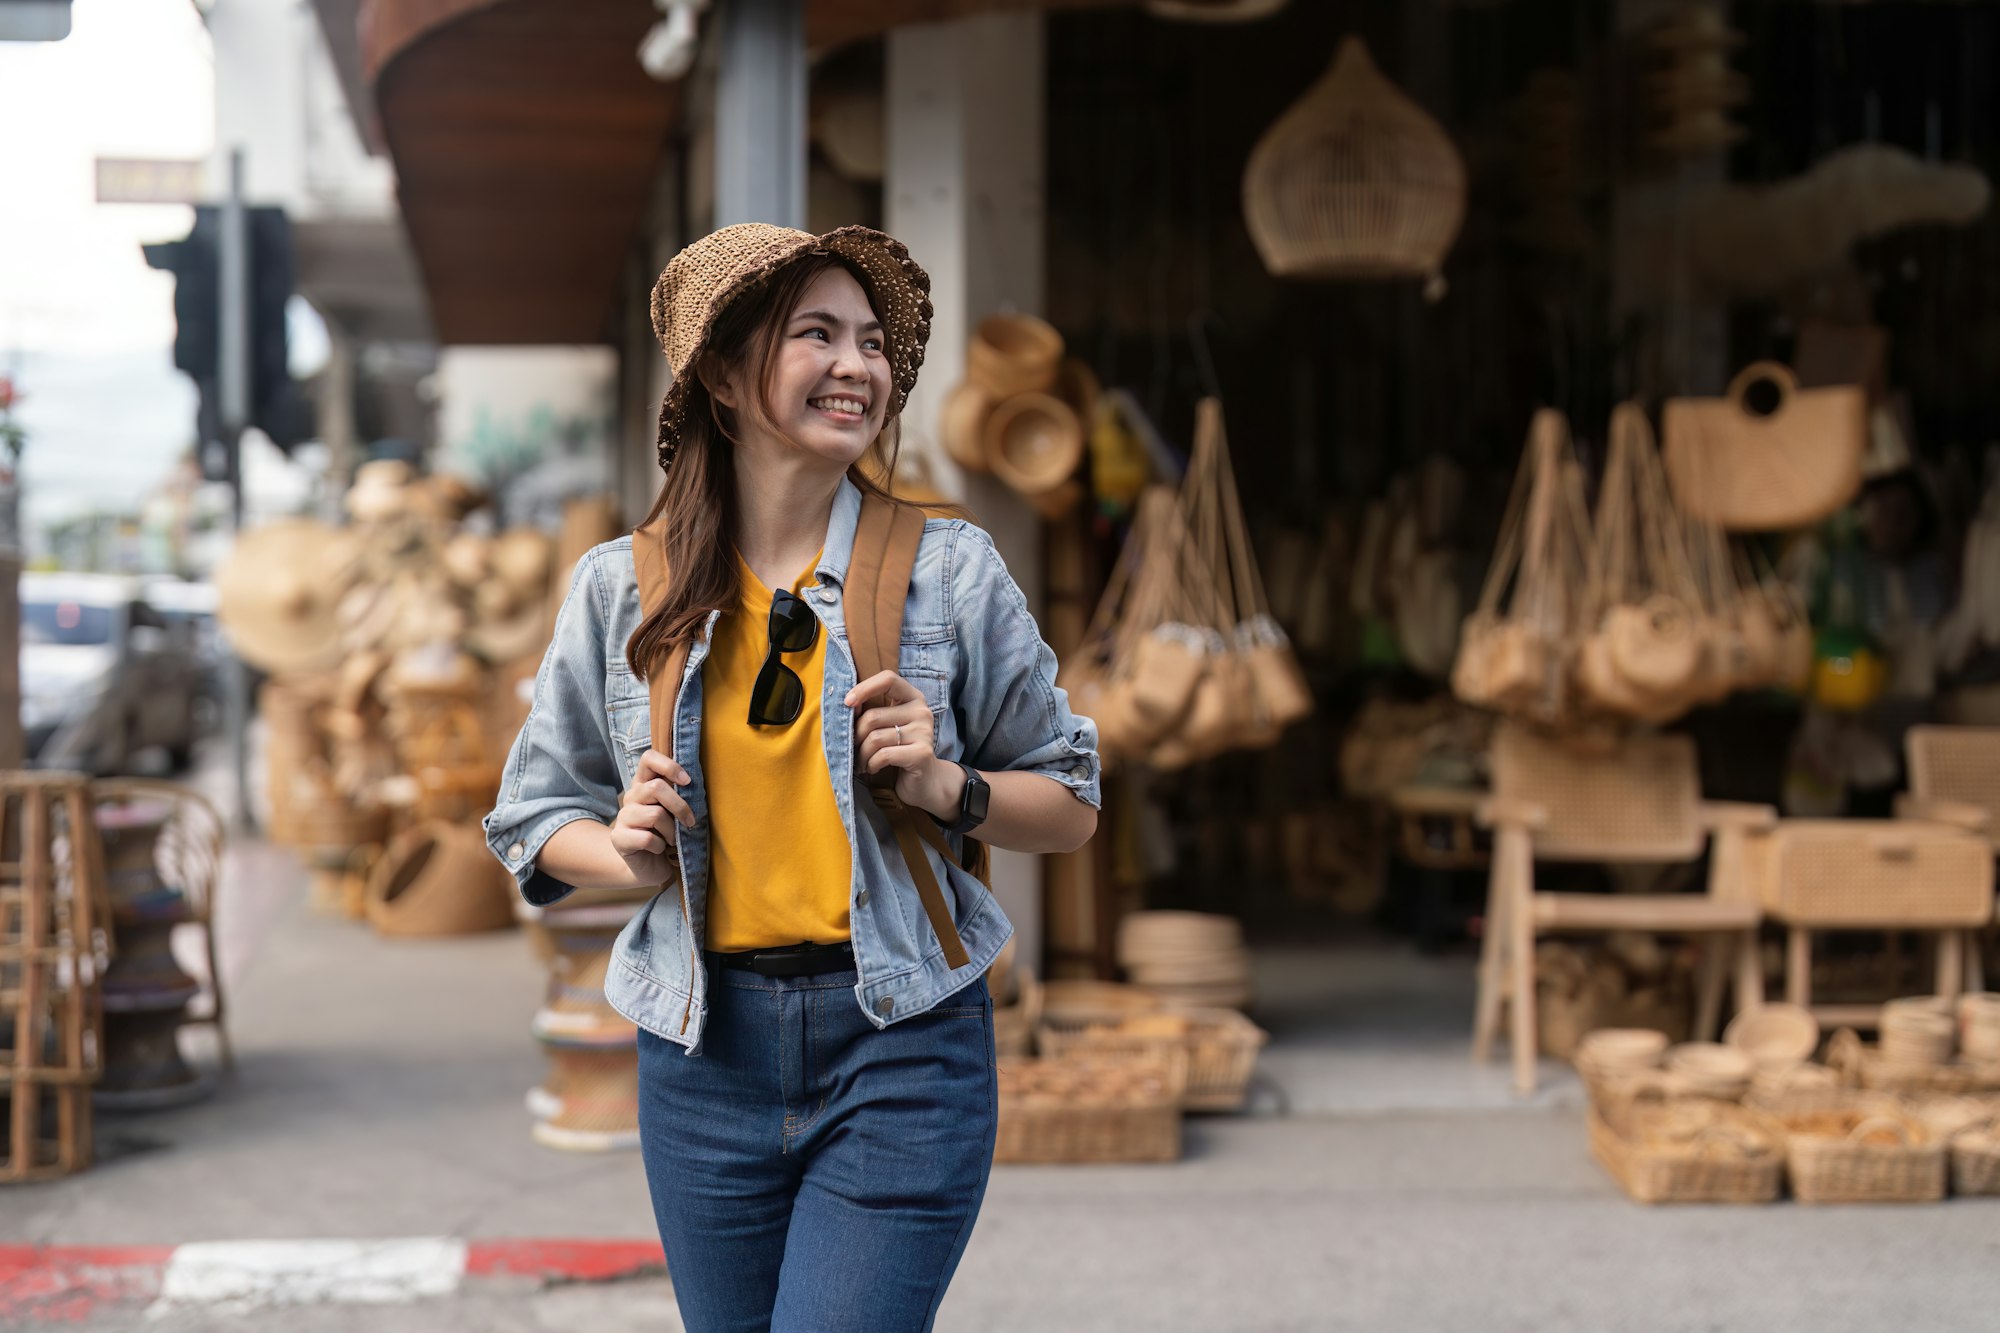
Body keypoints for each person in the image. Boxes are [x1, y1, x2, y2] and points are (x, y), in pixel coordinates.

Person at [483, 223, 1102, 1333]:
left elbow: (1069, 804)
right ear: (724, 374)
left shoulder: (949, 571)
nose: (856, 364)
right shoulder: (622, 590)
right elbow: (531, 816)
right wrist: (621, 849)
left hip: (901, 1045)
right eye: (817, 334)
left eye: (870, 342)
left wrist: (948, 786)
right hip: (701, 1055)